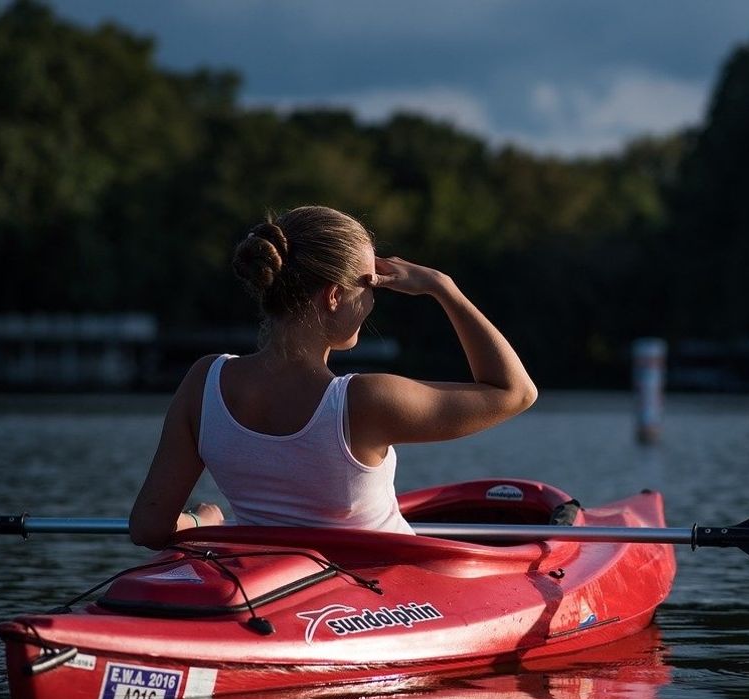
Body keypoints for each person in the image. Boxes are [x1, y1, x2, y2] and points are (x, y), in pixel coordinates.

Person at [129, 205, 537, 549]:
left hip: (275, 593)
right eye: (370, 283)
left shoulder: (204, 381)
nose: (374, 298)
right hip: (381, 602)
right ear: (335, 296)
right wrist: (443, 288)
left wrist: (203, 525)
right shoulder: (365, 400)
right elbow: (515, 391)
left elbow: (149, 527)